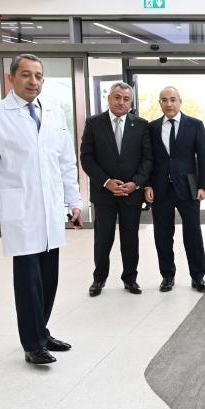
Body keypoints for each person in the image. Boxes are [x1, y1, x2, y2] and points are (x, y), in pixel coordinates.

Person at [0, 54, 84, 365]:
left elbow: (65, 162)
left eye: (38, 76)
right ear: (11, 79)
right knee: (28, 282)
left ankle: (42, 332)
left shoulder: (53, 113)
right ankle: (32, 344)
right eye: (26, 75)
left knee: (49, 278)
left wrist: (74, 201)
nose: (33, 81)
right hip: (18, 211)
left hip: (50, 209)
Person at [79, 82, 153, 297]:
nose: (121, 102)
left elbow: (148, 158)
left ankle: (130, 279)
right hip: (104, 194)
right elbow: (87, 157)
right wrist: (106, 182)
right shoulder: (94, 123)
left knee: (130, 239)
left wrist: (136, 183)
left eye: (126, 99)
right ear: (109, 98)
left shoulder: (141, 125)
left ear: (131, 102)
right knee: (103, 239)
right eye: (117, 97)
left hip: (131, 193)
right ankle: (99, 279)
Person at [145, 86, 205, 293]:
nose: (169, 104)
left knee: (193, 233)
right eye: (164, 100)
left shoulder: (195, 125)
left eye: (173, 99)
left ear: (180, 102)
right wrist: (147, 185)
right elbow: (147, 159)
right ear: (160, 103)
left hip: (189, 188)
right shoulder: (152, 128)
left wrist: (203, 185)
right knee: (163, 235)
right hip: (160, 189)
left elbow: (203, 157)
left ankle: (198, 277)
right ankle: (167, 276)